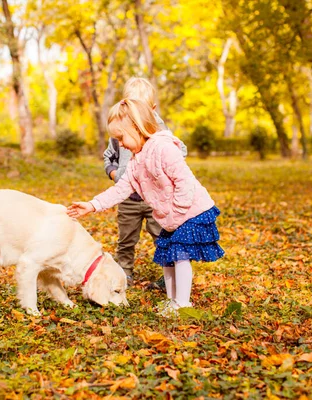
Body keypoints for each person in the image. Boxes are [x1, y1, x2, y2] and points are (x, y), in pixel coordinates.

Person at [67, 98, 224, 317]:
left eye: (121, 138)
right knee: (168, 257)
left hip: (190, 212)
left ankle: (183, 303)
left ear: (137, 126)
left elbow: (185, 182)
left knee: (180, 256)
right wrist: (92, 205)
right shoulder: (135, 160)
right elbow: (120, 189)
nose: (120, 144)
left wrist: (176, 214)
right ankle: (172, 301)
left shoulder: (163, 149)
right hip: (172, 217)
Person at [103, 77, 187, 286]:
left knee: (162, 235)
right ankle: (124, 272)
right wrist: (115, 174)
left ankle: (168, 276)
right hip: (128, 197)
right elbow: (109, 157)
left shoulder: (158, 129)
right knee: (126, 237)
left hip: (155, 198)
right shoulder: (119, 131)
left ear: (152, 109)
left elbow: (180, 149)